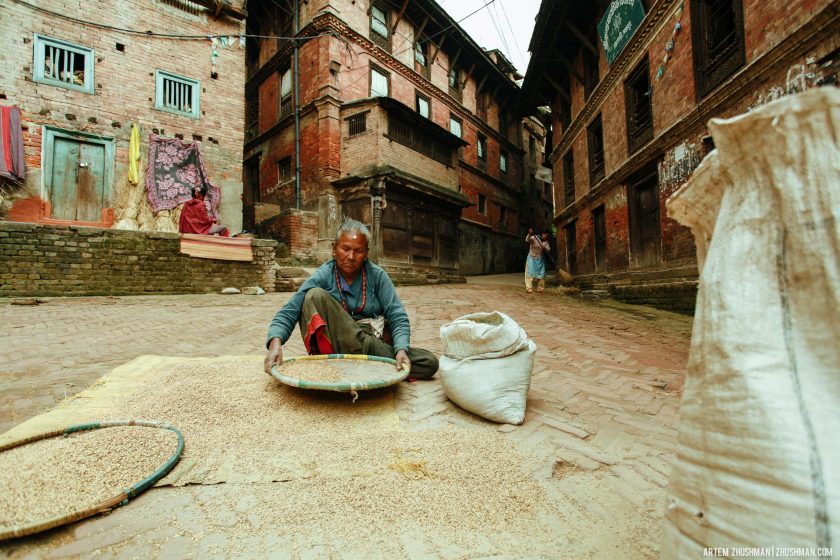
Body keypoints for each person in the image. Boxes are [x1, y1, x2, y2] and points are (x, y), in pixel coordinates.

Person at [263, 218, 439, 379]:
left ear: (366, 253)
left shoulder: (377, 275)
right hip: (337, 344)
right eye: (345, 249)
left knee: (429, 362)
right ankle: (372, 363)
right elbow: (290, 311)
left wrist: (401, 349)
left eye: (358, 251)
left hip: (371, 344)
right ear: (334, 248)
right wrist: (275, 344)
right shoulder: (325, 274)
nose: (351, 256)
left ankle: (363, 362)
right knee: (314, 295)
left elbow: (397, 315)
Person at [525, 228, 551, 294]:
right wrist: (529, 234)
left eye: (547, 236)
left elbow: (548, 250)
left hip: (540, 259)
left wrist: (544, 248)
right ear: (542, 234)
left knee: (541, 274)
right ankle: (529, 288)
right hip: (531, 257)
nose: (547, 237)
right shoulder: (534, 238)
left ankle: (540, 288)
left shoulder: (546, 242)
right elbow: (527, 240)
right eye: (546, 235)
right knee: (530, 273)